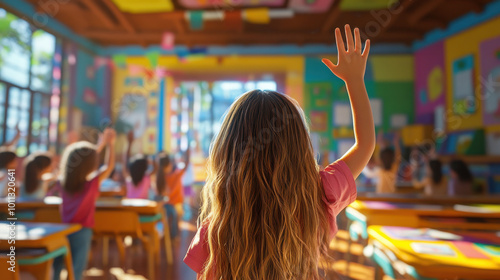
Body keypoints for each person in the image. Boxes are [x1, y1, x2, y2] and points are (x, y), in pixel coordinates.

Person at [184, 25, 374, 280]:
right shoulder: (317, 195)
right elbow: (365, 146)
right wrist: (354, 81)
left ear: (227, 151)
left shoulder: (217, 228)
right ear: (299, 147)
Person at [52, 128, 116, 280]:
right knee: (77, 270)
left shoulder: (62, 182)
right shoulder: (91, 184)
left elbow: (83, 161)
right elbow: (108, 166)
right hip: (83, 231)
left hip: (64, 229)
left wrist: (101, 145)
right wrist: (110, 145)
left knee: (58, 265)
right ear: (91, 165)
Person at [156, 149, 190, 238]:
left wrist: (188, 155)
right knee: (172, 215)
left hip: (175, 204)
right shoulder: (163, 178)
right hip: (169, 204)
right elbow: (164, 195)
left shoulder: (174, 175)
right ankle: (171, 235)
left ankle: (173, 235)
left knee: (175, 215)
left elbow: (186, 166)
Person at [123, 131, 157, 199]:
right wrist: (147, 161)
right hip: (143, 209)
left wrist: (129, 143)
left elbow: (125, 162)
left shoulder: (129, 178)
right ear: (145, 167)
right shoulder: (146, 178)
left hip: (129, 208)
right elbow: (156, 167)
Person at [0, 126, 21, 197]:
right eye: (14, 161)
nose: (17, 163)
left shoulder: (6, 173)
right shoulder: (6, 175)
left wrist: (18, 134)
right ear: (8, 162)